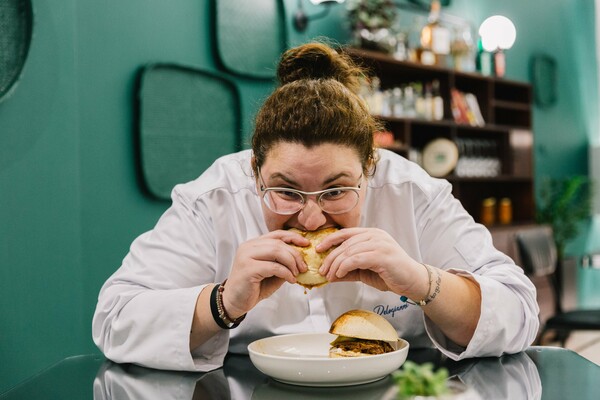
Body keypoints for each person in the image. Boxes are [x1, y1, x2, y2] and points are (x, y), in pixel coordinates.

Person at [92, 42, 539, 371]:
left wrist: (422, 281)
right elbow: (114, 320)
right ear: (254, 171)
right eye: (286, 191)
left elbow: (520, 313)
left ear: (370, 168)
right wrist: (224, 302)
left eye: (336, 191)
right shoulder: (213, 199)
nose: (310, 218)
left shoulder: (412, 193)